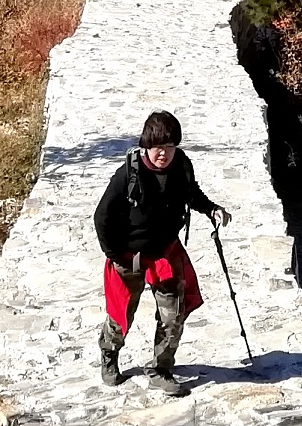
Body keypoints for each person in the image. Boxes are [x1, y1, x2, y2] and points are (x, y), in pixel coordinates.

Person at [93, 109, 229, 397]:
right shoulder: (127, 175)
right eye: (157, 148)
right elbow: (102, 217)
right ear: (146, 147)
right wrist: (115, 254)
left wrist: (211, 209)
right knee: (120, 317)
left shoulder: (181, 166)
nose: (163, 154)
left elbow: (192, 193)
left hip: (166, 254)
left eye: (169, 147)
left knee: (173, 315)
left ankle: (160, 369)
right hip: (129, 257)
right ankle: (109, 356)